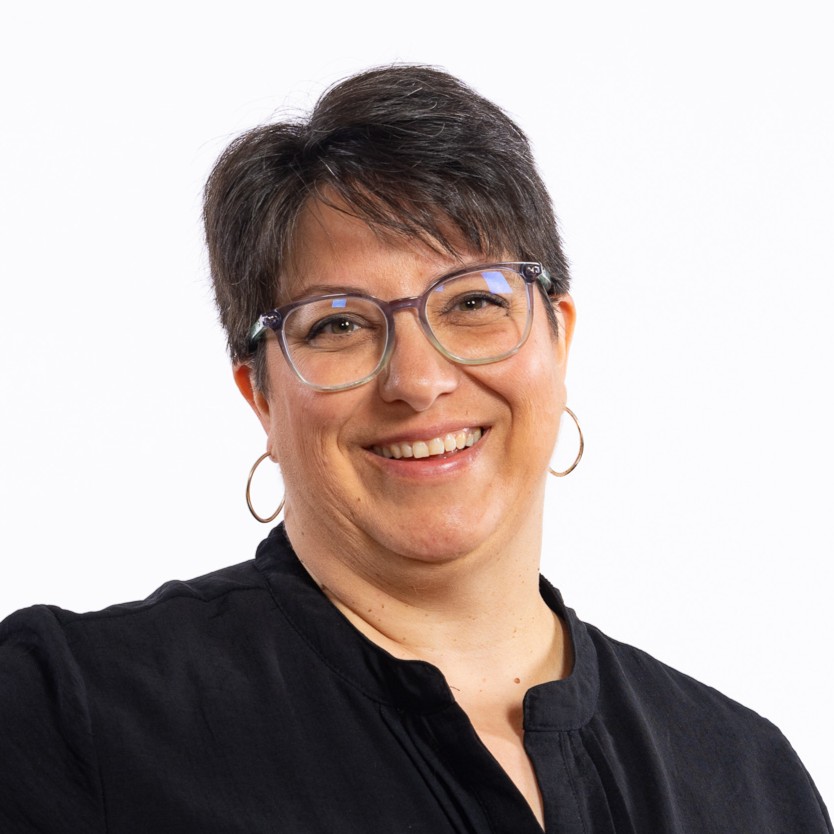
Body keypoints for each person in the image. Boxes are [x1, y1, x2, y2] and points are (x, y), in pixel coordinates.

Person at [0, 65, 829, 834]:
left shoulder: (748, 781)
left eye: (473, 301)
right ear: (261, 393)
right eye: (339, 324)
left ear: (557, 340)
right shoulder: (64, 713)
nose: (420, 381)